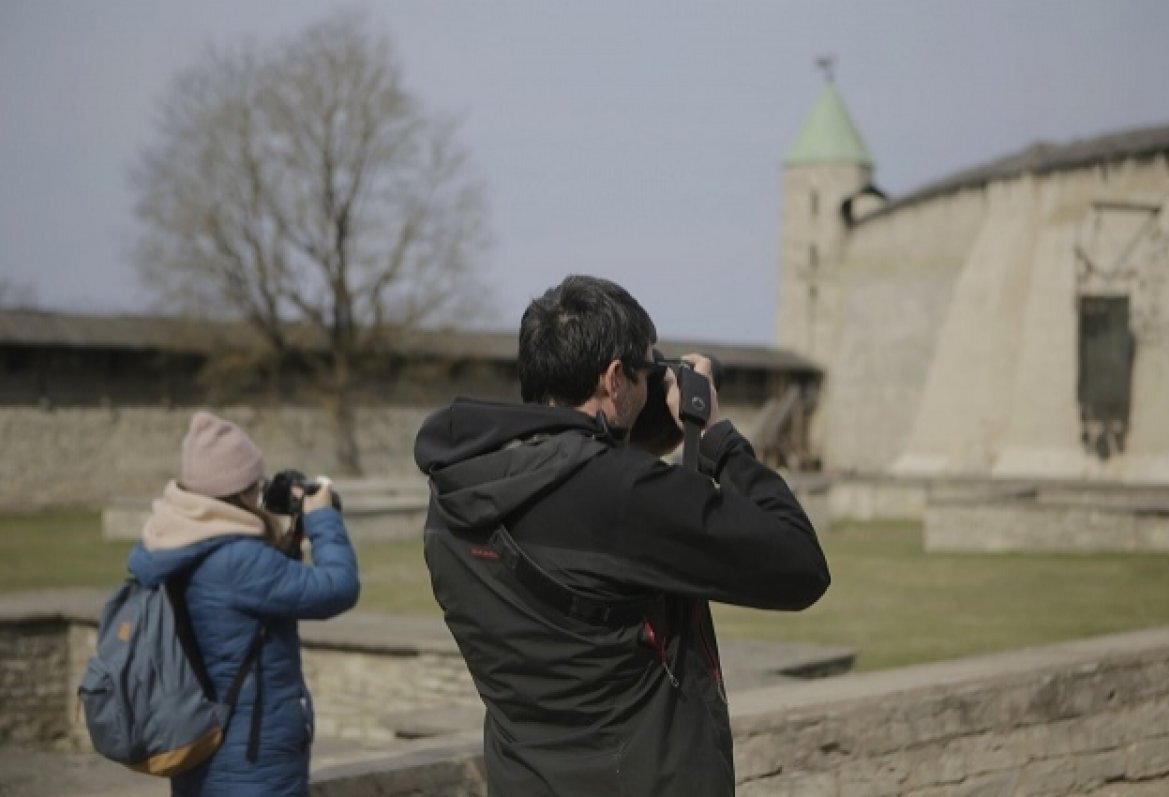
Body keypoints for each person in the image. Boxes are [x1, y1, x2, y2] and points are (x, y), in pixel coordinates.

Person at [415, 275, 830, 796]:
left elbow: (574, 487)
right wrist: (718, 436)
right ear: (614, 378)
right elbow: (799, 564)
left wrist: (646, 434)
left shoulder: (453, 499)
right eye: (647, 371)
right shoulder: (626, 498)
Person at [126, 410, 360, 796]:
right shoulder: (237, 560)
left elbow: (253, 603)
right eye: (255, 483)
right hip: (252, 759)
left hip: (197, 744)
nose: (259, 492)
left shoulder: (177, 540)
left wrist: (288, 541)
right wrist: (322, 519)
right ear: (238, 487)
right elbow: (338, 587)